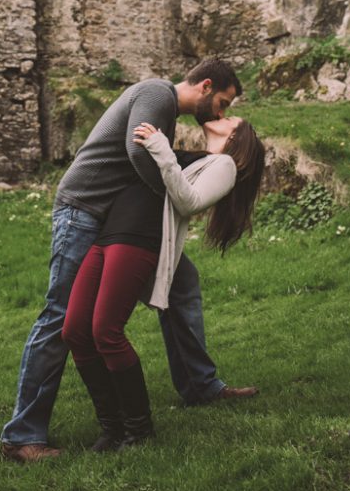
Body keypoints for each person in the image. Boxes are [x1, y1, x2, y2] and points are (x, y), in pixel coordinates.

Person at [0, 58, 258, 463]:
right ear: (206, 86)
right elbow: (139, 156)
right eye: (223, 102)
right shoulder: (157, 93)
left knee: (183, 287)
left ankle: (199, 385)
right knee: (62, 319)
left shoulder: (173, 121)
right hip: (86, 211)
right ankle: (22, 435)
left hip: (120, 227)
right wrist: (170, 191)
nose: (222, 112)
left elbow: (177, 169)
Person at [61, 115, 265, 451]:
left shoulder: (224, 164)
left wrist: (161, 148)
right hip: (108, 233)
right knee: (74, 331)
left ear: (235, 138)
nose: (222, 115)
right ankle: (112, 428)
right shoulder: (193, 155)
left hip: (139, 237)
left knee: (106, 332)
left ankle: (139, 430)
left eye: (231, 118)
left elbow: (189, 201)